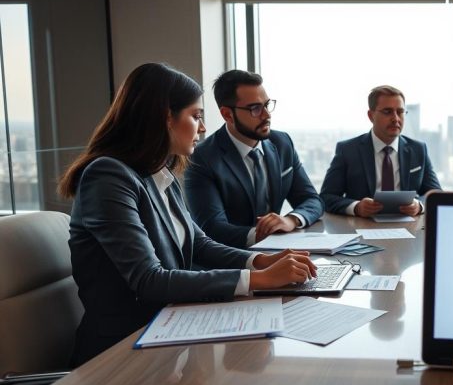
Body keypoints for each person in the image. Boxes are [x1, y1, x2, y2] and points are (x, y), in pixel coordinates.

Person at [58, 63, 317, 366]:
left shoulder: (161, 173)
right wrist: (257, 279)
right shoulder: (108, 177)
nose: (203, 128)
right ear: (166, 118)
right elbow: (149, 279)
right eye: (196, 116)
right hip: (121, 351)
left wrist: (259, 260)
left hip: (169, 332)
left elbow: (200, 243)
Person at [184, 70, 323, 248]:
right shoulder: (202, 158)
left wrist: (291, 220)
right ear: (227, 114)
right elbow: (212, 228)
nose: (266, 115)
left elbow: (312, 200)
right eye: (255, 109)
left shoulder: (282, 143)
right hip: (229, 263)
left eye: (267, 105)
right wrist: (266, 234)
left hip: (278, 254)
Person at [320, 85, 441, 217]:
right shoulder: (348, 150)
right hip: (362, 226)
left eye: (400, 111)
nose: (396, 118)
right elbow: (326, 197)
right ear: (371, 116)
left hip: (408, 227)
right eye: (387, 112)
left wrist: (419, 205)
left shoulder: (418, 149)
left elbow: (436, 194)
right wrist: (356, 207)